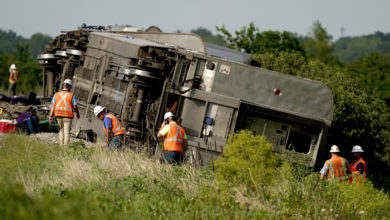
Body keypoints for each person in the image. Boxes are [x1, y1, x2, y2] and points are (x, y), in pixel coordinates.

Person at [49, 79, 80, 145]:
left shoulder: (56, 94)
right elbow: (75, 106)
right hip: (67, 116)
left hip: (58, 116)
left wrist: (51, 116)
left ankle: (61, 147)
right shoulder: (71, 95)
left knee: (60, 131)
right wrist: (77, 114)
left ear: (63, 85)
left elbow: (53, 107)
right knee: (67, 133)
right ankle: (66, 149)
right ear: (69, 87)